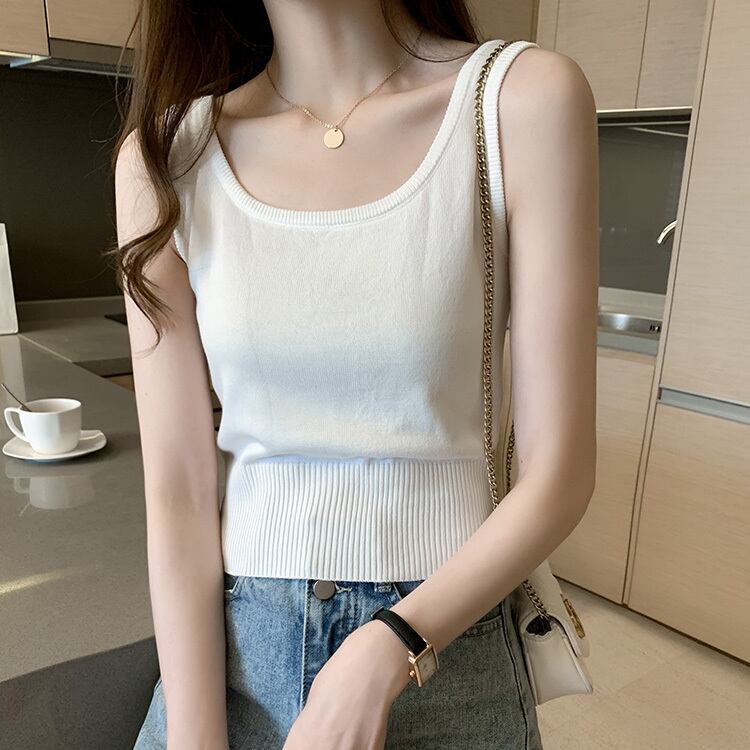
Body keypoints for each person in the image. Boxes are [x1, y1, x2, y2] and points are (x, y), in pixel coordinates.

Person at [112, 1, 598, 748]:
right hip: (238, 655)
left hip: (447, 643)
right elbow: (178, 491)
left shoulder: (517, 101)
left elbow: (558, 475)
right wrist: (196, 736)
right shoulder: (167, 157)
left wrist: (391, 646)